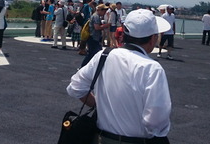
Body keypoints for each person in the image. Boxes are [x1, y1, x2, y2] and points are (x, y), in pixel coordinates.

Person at [67, 9, 172, 142]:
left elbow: (75, 87)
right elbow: (156, 121)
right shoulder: (152, 68)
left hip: (100, 139)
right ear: (153, 38)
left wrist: (100, 106)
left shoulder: (104, 55)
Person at [80, 3, 110, 68]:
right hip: (93, 37)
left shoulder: (95, 16)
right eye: (104, 11)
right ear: (100, 10)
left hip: (93, 37)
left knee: (92, 53)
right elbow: (97, 27)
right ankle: (83, 67)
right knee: (92, 53)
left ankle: (85, 67)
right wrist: (106, 25)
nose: (104, 12)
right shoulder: (96, 16)